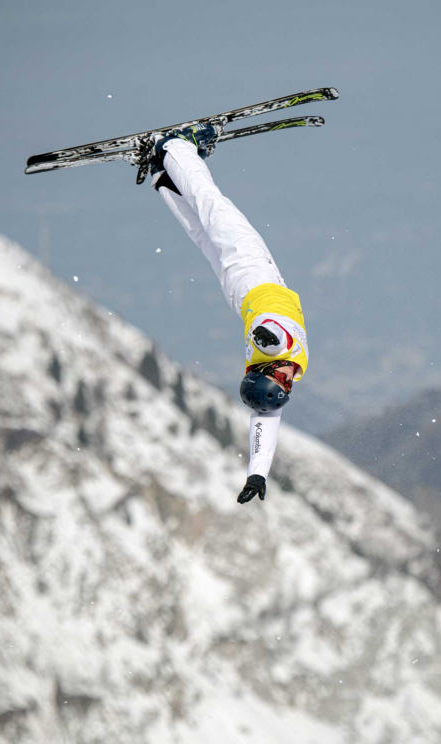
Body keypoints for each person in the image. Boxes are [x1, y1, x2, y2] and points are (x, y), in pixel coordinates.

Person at [148, 123, 309, 504]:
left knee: (213, 207)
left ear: (267, 371)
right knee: (201, 232)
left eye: (282, 382)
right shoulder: (269, 385)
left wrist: (265, 338)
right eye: (287, 386)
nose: (289, 381)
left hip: (254, 275)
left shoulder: (273, 350)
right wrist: (257, 473)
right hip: (239, 293)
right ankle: (162, 175)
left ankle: (176, 148)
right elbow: (264, 425)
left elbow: (265, 336)